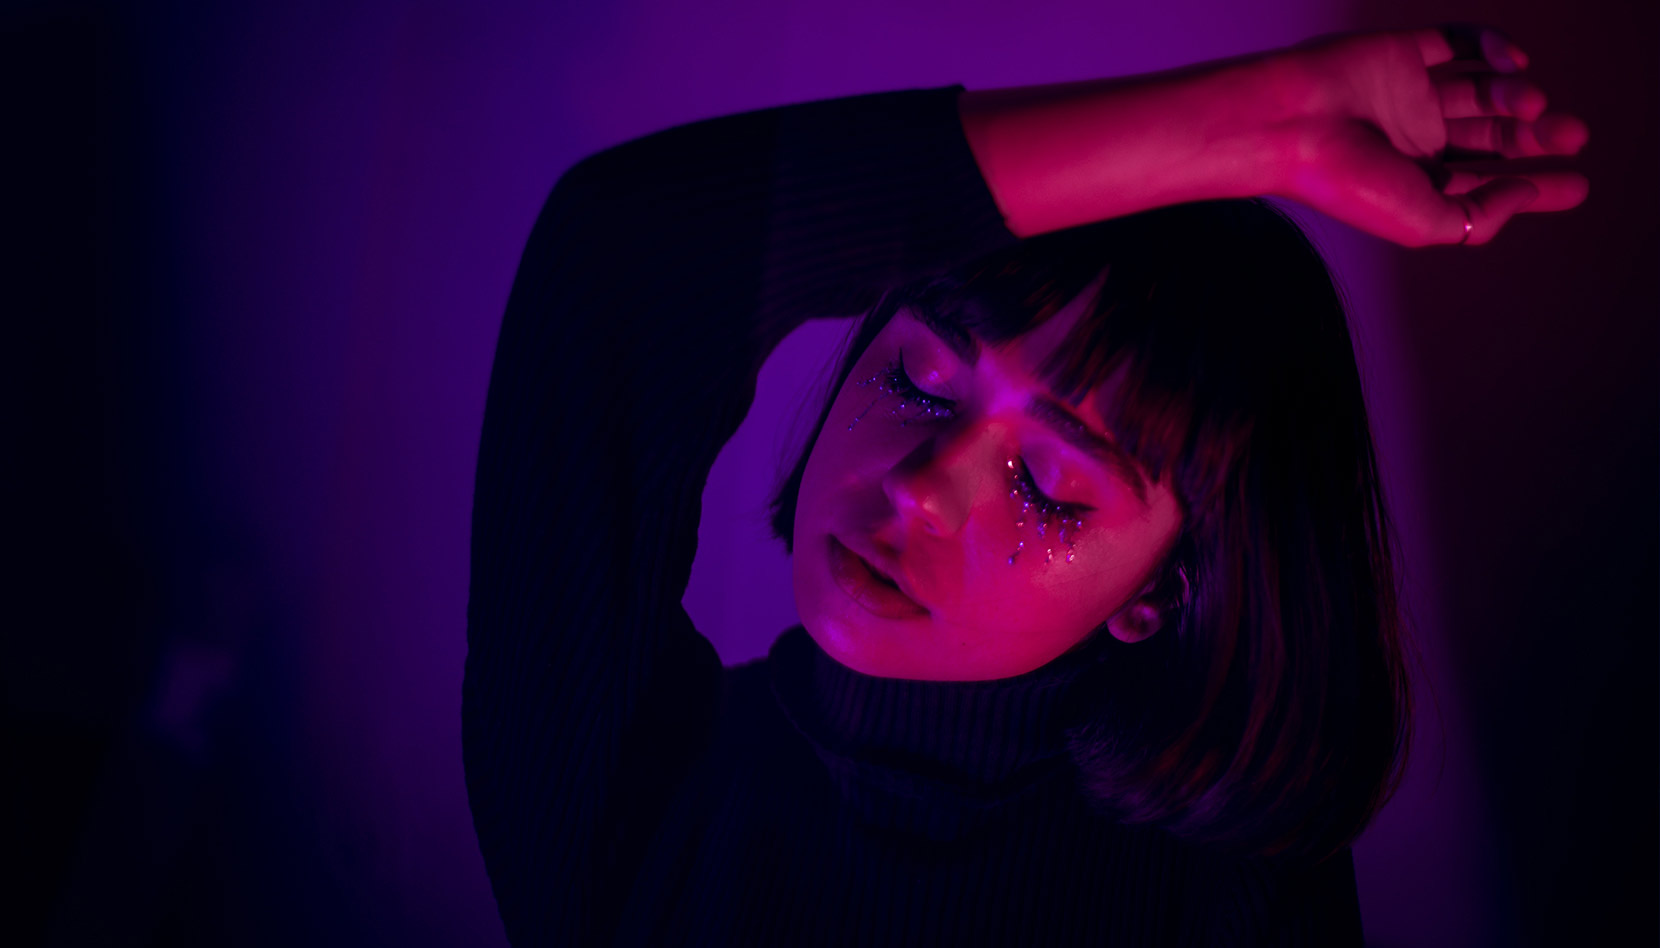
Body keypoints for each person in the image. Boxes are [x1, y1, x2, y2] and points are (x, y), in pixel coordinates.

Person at [462, 23, 1588, 947]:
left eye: (1048, 484)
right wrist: (1263, 122)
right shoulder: (633, 791)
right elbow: (614, 266)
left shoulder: (1229, 898)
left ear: (1159, 592)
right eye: (918, 379)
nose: (923, 489)